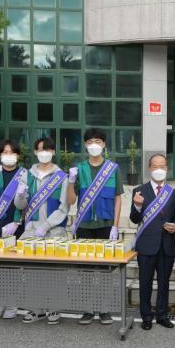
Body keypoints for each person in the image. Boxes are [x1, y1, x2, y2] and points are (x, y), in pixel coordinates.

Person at [67, 128, 123, 326]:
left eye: (98, 141)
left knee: (106, 270)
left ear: (104, 144)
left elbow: (118, 198)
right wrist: (70, 181)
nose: (94, 145)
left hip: (106, 225)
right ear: (85, 145)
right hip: (84, 225)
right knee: (85, 271)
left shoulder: (112, 168)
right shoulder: (79, 168)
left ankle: (104, 309)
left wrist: (115, 226)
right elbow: (71, 200)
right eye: (90, 141)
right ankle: (87, 309)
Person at [15, 137, 70, 324]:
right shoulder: (27, 175)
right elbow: (20, 205)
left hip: (54, 231)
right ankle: (35, 308)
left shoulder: (61, 177)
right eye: (40, 149)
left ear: (53, 152)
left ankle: (54, 308)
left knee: (55, 272)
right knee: (32, 272)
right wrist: (20, 196)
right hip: (31, 230)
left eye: (47, 149)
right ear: (35, 152)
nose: (44, 153)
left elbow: (64, 207)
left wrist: (46, 226)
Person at [130, 154, 175, 330]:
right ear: (149, 168)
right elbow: (134, 219)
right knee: (145, 283)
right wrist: (137, 206)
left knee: (164, 283)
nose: (159, 170)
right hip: (146, 246)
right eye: (156, 166)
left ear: (167, 169)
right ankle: (146, 316)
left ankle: (162, 315)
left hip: (166, 245)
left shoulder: (173, 193)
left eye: (162, 166)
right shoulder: (139, 190)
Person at [0, 139, 27, 320]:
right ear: (0, 155)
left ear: (18, 155)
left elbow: (28, 202)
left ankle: (12, 302)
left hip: (16, 226)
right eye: (5, 152)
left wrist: (17, 222)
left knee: (14, 266)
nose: (9, 155)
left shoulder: (24, 174)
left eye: (12, 152)